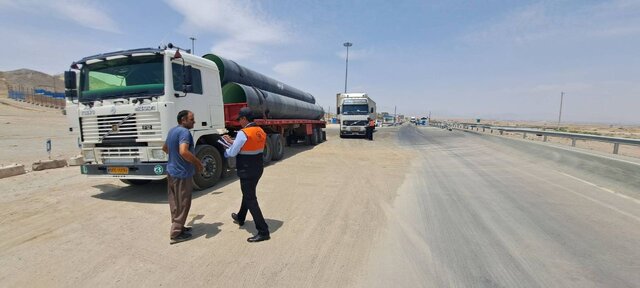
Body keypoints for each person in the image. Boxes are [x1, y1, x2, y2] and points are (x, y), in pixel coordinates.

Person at [222, 107, 271, 242]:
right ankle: (241, 217)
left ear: (244, 119)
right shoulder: (259, 131)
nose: (239, 122)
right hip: (257, 168)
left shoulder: (243, 133)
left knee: (250, 199)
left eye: (240, 119)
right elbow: (249, 144)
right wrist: (233, 142)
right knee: (248, 194)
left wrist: (226, 148)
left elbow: (232, 153)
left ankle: (263, 231)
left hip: (246, 170)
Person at [162, 110, 204, 244]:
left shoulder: (172, 131)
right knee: (184, 203)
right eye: (192, 119)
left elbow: (165, 148)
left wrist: (174, 159)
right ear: (183, 120)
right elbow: (184, 151)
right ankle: (176, 233)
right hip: (182, 173)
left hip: (171, 170)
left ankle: (179, 226)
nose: (194, 121)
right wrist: (197, 163)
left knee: (175, 202)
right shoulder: (185, 133)